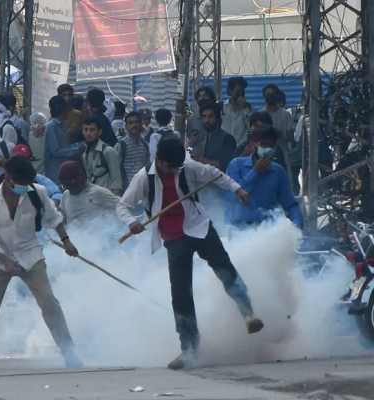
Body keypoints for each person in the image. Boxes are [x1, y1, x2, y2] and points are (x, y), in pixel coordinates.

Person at [116, 137, 264, 370]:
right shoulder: (144, 178)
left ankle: (248, 314)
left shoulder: (188, 166)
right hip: (174, 238)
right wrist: (132, 222)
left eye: (178, 165)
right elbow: (122, 206)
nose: (176, 169)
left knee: (225, 269)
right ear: (160, 161)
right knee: (181, 293)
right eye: (171, 166)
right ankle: (189, 349)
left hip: (200, 227)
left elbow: (216, 175)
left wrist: (238, 189)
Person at [0, 156, 82, 370]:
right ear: (7, 178)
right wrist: (6, 262)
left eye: (27, 184)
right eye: (20, 184)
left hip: (30, 254)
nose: (24, 188)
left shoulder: (38, 193)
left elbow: (54, 218)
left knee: (49, 303)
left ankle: (69, 352)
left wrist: (67, 241)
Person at [226, 126, 303, 228]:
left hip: (266, 230)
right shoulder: (236, 165)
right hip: (239, 229)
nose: (267, 149)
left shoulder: (278, 171)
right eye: (263, 145)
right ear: (253, 144)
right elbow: (233, 197)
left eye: (270, 146)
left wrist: (297, 223)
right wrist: (255, 172)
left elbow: (290, 204)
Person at [58, 160, 120, 226]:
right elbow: (62, 219)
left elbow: (122, 208)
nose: (68, 189)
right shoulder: (66, 195)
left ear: (78, 181)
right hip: (75, 235)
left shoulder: (97, 192)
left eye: (69, 186)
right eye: (64, 186)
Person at [44, 95, 82, 183]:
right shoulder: (51, 126)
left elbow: (65, 145)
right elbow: (56, 151)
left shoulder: (63, 125)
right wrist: (76, 150)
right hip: (54, 172)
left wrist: (78, 146)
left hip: (64, 169)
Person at [189, 103, 237, 172]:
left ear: (217, 118)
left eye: (210, 116)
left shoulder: (227, 139)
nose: (206, 120)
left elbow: (225, 165)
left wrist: (199, 159)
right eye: (204, 116)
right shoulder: (197, 137)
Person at [81, 116, 121, 193]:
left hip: (107, 198)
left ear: (99, 132)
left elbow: (116, 182)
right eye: (85, 130)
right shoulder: (85, 154)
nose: (88, 133)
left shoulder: (108, 151)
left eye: (92, 130)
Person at [117, 111, 150, 191]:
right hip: (127, 188)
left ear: (141, 124)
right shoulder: (122, 144)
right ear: (126, 126)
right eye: (130, 123)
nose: (134, 125)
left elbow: (147, 166)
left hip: (143, 186)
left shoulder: (145, 144)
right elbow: (117, 168)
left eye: (136, 122)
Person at [223, 77, 252, 145]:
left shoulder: (247, 108)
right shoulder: (222, 107)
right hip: (224, 147)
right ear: (229, 91)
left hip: (241, 148)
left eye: (242, 91)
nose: (240, 94)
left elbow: (251, 129)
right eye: (237, 91)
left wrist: (244, 109)